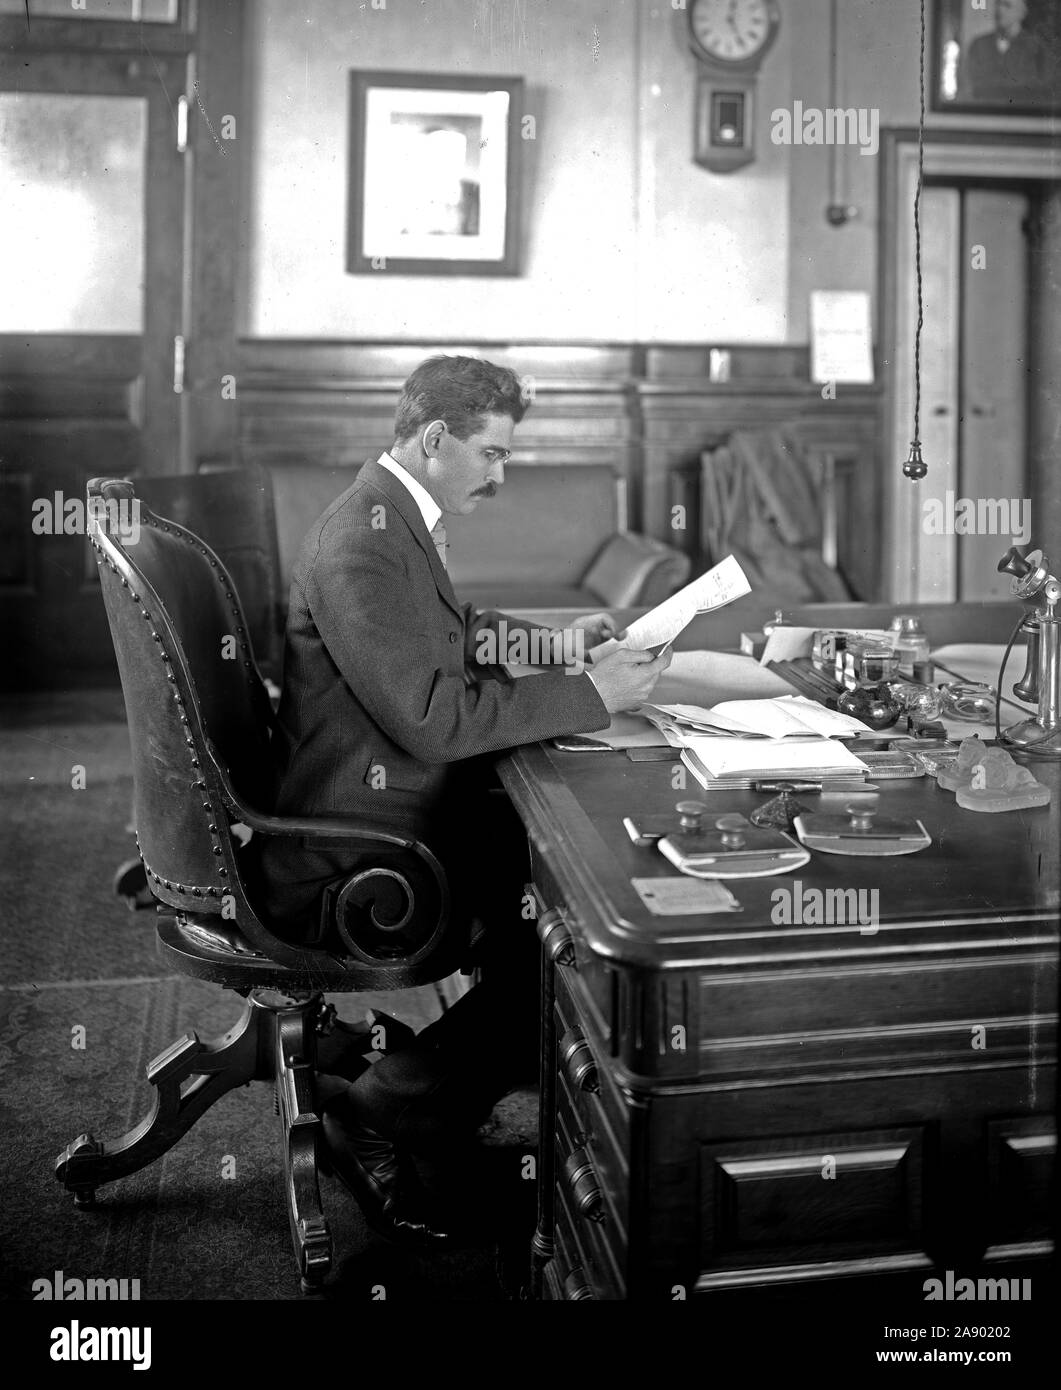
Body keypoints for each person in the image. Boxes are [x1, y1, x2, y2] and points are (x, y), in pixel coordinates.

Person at [259, 354, 671, 1245]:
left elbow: (455, 634)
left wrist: (566, 646)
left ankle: (425, 1091)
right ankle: (389, 1105)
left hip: (392, 804)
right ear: (436, 437)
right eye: (491, 454)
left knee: (560, 911)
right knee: (568, 937)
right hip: (364, 840)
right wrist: (596, 695)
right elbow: (434, 720)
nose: (500, 473)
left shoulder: (393, 512)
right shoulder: (364, 541)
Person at [958, 0, 1050, 104]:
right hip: (984, 112)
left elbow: (1041, 88)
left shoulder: (1036, 48)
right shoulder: (979, 45)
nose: (999, 9)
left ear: (1022, 13)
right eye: (998, 4)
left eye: (1007, 5)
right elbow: (969, 84)